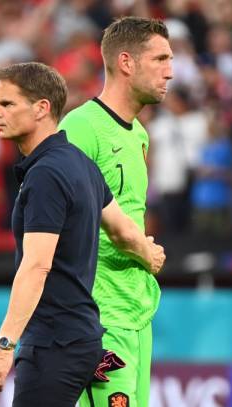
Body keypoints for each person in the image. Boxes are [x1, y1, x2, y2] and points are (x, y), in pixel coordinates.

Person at [0, 62, 165, 407]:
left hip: (53, 342)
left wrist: (4, 346)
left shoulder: (45, 174)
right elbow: (123, 231)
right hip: (84, 337)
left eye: (7, 104)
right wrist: (148, 252)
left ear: (41, 108)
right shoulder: (81, 163)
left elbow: (36, 266)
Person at [59, 16, 173, 407]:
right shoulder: (80, 129)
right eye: (160, 59)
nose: (170, 72)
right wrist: (137, 246)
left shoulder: (138, 133)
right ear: (127, 63)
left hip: (136, 313)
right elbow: (54, 221)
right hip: (98, 315)